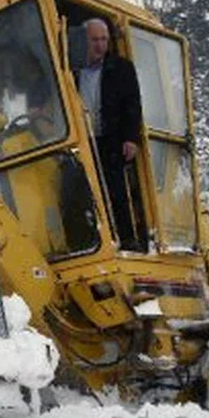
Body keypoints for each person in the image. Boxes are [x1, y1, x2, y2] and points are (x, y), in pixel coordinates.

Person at [76, 18, 145, 251]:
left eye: (104, 39)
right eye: (95, 39)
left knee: (116, 189)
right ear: (84, 40)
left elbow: (132, 104)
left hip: (111, 138)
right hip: (81, 140)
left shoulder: (121, 67)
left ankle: (126, 238)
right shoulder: (72, 70)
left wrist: (131, 138)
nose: (100, 44)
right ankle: (90, 241)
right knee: (84, 192)